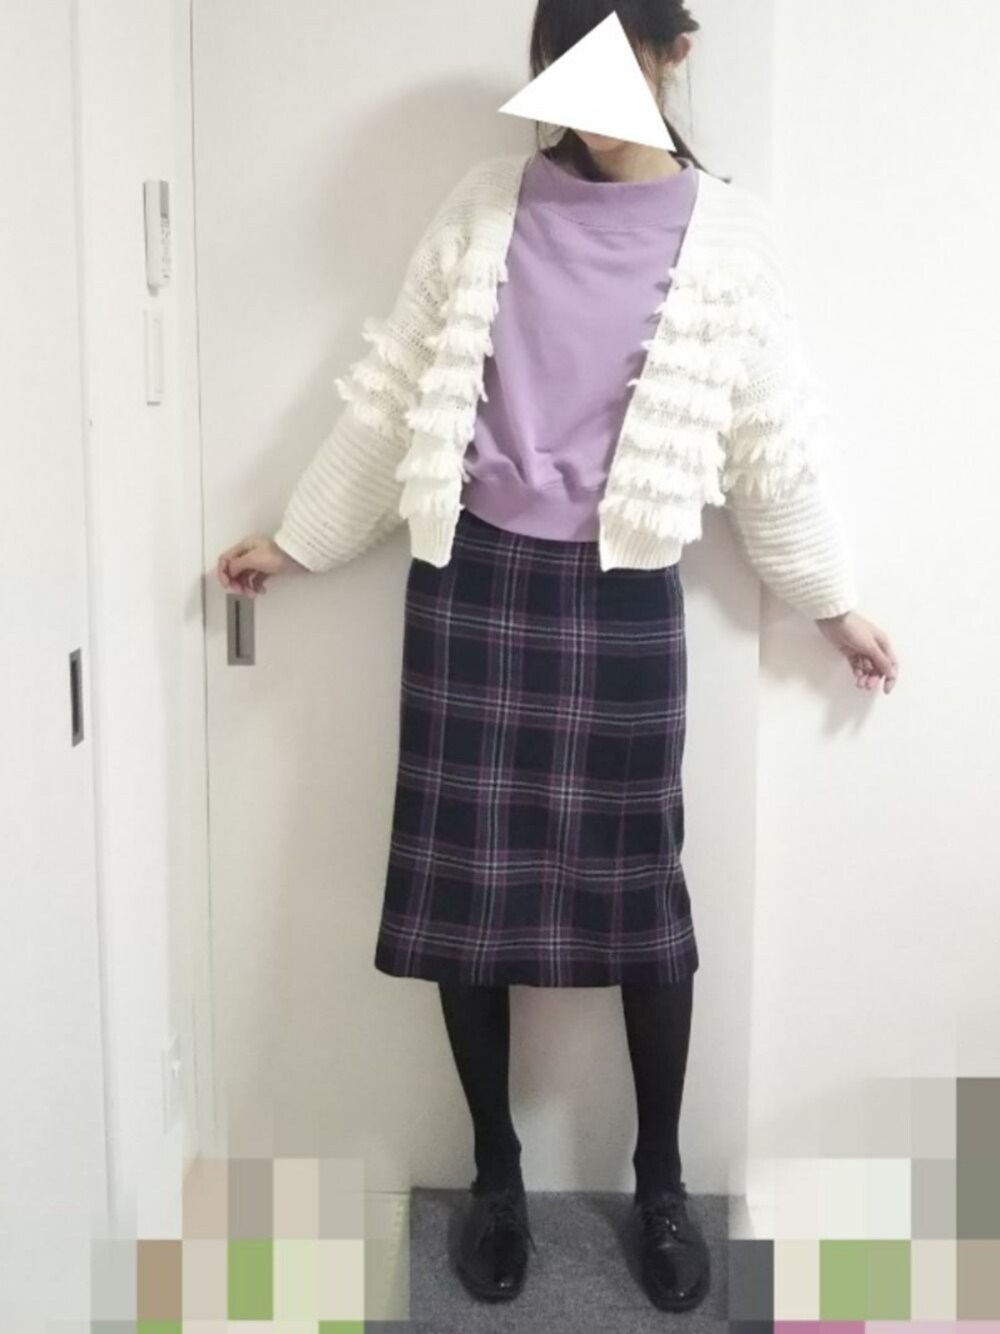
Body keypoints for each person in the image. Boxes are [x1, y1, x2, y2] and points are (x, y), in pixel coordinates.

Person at [217, 0, 899, 1314]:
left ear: (674, 54)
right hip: (470, 587)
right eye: (562, 71)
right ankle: (496, 1173)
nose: (584, 99)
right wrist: (299, 540)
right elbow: (395, 392)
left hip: (625, 599)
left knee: (644, 904)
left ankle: (660, 1180)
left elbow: (770, 440)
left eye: (613, 66)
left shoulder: (731, 235)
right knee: (462, 892)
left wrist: (832, 602)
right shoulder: (486, 205)